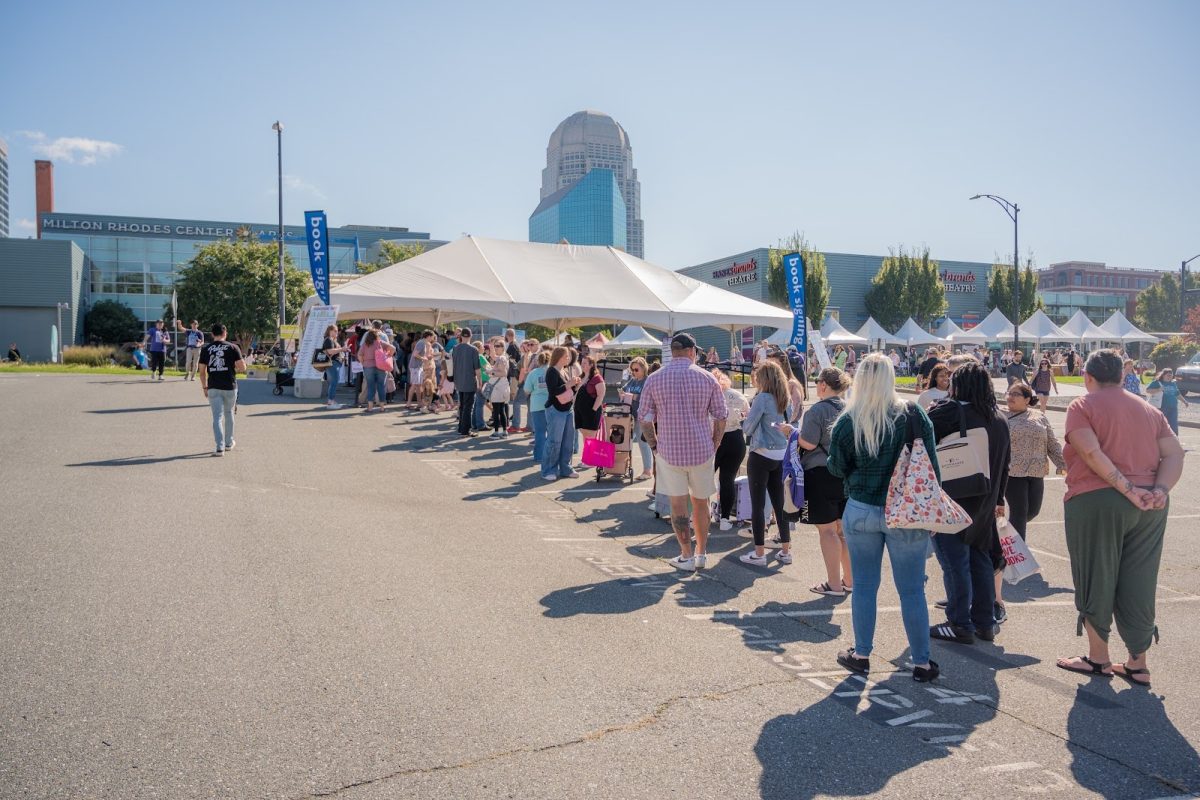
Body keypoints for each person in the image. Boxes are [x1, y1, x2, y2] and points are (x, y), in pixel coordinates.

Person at [1056, 350, 1184, 686]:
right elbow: (1173, 454)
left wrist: (1126, 489)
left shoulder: (1083, 406)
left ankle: (1098, 657)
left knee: (1097, 573)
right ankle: (1137, 663)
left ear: (1088, 376)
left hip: (1098, 499)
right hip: (1150, 504)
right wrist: (1160, 490)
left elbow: (1090, 452)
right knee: (1140, 579)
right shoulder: (1147, 408)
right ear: (1121, 374)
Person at [827, 353, 940, 682]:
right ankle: (921, 662)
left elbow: (836, 467)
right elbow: (930, 465)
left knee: (863, 586)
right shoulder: (913, 414)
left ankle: (862, 653)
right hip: (905, 511)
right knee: (912, 590)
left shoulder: (850, 420)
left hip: (862, 508)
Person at [927, 363, 1011, 646]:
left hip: (954, 496)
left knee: (954, 562)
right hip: (986, 500)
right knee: (980, 559)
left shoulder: (951, 412)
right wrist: (999, 500)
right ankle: (985, 622)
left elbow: (919, 438)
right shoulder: (998, 418)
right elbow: (1005, 464)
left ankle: (959, 622)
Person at [638, 333, 728, 571]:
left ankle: (686, 554)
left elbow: (645, 419)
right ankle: (701, 553)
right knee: (701, 503)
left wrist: (654, 445)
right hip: (701, 449)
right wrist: (715, 442)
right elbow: (721, 416)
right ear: (692, 352)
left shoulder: (655, 379)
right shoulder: (708, 378)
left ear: (673, 351)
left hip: (669, 451)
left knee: (678, 505)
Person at [787, 367, 851, 596]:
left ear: (823, 384)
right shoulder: (850, 408)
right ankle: (849, 581)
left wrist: (791, 433)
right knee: (842, 531)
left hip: (820, 473)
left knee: (827, 532)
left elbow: (809, 444)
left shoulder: (818, 410)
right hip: (846, 474)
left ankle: (833, 584)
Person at [738, 361, 794, 566]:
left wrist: (744, 419)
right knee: (780, 504)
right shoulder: (785, 398)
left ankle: (759, 553)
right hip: (781, 453)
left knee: (758, 504)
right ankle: (785, 550)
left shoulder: (762, 398)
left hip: (761, 453)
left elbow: (749, 427)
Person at [1003, 382, 1066, 540]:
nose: (1010, 397)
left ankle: (1006, 541)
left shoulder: (1039, 416)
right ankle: (1019, 558)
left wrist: (1063, 464)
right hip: (1013, 472)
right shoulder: (1000, 416)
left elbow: (1051, 443)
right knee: (1019, 512)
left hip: (1037, 471)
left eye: (1015, 394)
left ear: (1027, 399)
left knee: (1032, 511)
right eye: (1009, 393)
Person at [198, 323, 245, 456]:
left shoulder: (206, 349)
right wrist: (236, 366)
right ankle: (229, 443)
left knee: (217, 417)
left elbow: (201, 372)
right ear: (225, 333)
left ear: (212, 334)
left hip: (213, 386)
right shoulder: (233, 347)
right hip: (230, 386)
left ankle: (219, 447)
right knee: (229, 413)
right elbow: (243, 368)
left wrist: (204, 387)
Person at [711, 369, 749, 531]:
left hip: (714, 439)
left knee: (702, 479)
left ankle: (697, 516)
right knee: (727, 480)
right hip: (736, 439)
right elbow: (746, 415)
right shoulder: (738, 396)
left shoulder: (710, 394)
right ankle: (725, 518)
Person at [542, 346, 579, 481]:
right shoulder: (551, 371)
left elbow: (568, 391)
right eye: (566, 356)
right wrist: (569, 384)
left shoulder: (564, 371)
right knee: (554, 441)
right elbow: (554, 391)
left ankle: (566, 468)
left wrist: (575, 385)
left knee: (568, 441)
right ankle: (548, 470)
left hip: (568, 408)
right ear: (559, 357)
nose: (568, 358)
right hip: (555, 409)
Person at [620, 357, 655, 481]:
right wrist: (622, 393)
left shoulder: (647, 380)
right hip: (630, 416)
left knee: (643, 443)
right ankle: (623, 466)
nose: (634, 372)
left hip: (642, 417)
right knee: (626, 442)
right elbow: (623, 390)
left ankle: (647, 470)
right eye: (632, 370)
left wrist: (633, 396)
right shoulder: (633, 381)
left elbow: (647, 398)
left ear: (643, 368)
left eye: (636, 369)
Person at [452, 328, 482, 437]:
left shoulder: (455, 348)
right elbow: (477, 369)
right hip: (469, 381)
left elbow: (453, 365)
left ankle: (461, 428)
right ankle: (466, 430)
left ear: (461, 336)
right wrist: (480, 381)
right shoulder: (473, 349)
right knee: (468, 407)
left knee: (462, 405)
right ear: (470, 336)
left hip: (459, 380)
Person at [357, 330, 394, 413]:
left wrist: (363, 363)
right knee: (381, 386)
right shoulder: (380, 342)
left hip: (368, 366)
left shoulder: (365, 344)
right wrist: (389, 355)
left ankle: (370, 407)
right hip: (381, 366)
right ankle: (382, 407)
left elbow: (359, 355)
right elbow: (393, 348)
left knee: (370, 386)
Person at [524, 351, 550, 462]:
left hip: (537, 405)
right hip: (551, 404)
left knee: (540, 432)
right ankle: (549, 455)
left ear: (538, 361)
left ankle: (539, 456)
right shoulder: (553, 371)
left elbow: (527, 390)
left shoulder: (534, 373)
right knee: (551, 432)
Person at [1146, 368, 1189, 434]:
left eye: (1171, 375)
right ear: (1163, 375)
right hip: (1162, 407)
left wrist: (1184, 401)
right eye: (1168, 375)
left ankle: (1174, 439)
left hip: (1173, 407)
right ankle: (1160, 439)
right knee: (1161, 424)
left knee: (1173, 424)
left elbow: (1177, 394)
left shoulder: (1173, 384)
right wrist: (1159, 389)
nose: (1170, 377)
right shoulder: (1157, 382)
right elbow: (1148, 390)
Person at [485, 338, 511, 437]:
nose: (495, 348)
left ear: (502, 347)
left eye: (497, 346)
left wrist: (490, 372)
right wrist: (491, 345)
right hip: (501, 386)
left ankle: (497, 432)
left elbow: (504, 373)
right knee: (501, 410)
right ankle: (504, 431)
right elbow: (492, 355)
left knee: (497, 410)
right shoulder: (502, 357)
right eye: (495, 346)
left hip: (499, 387)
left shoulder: (502, 358)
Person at [320, 324, 349, 409]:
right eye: (335, 331)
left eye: (337, 331)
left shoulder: (332, 340)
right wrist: (342, 349)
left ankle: (331, 400)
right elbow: (330, 351)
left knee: (334, 382)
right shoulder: (328, 339)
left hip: (334, 363)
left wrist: (344, 349)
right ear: (330, 331)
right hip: (332, 363)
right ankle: (330, 401)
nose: (337, 332)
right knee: (334, 382)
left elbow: (335, 351)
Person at [504, 328, 524, 433]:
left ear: (508, 335)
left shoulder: (512, 346)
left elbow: (511, 361)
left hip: (513, 375)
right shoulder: (514, 345)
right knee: (514, 397)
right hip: (514, 374)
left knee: (514, 397)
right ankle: (514, 417)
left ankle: (515, 419)